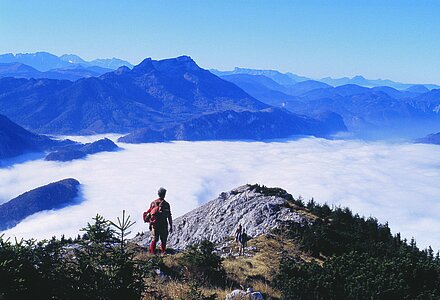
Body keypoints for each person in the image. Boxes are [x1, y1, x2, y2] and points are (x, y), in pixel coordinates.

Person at [149, 187, 173, 254]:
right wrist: (171, 226)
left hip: (155, 224)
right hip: (163, 224)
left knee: (154, 239)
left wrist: (150, 224)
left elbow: (150, 214)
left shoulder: (153, 203)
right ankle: (163, 253)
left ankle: (152, 253)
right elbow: (169, 216)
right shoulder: (166, 204)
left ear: (158, 194)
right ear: (164, 194)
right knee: (163, 240)